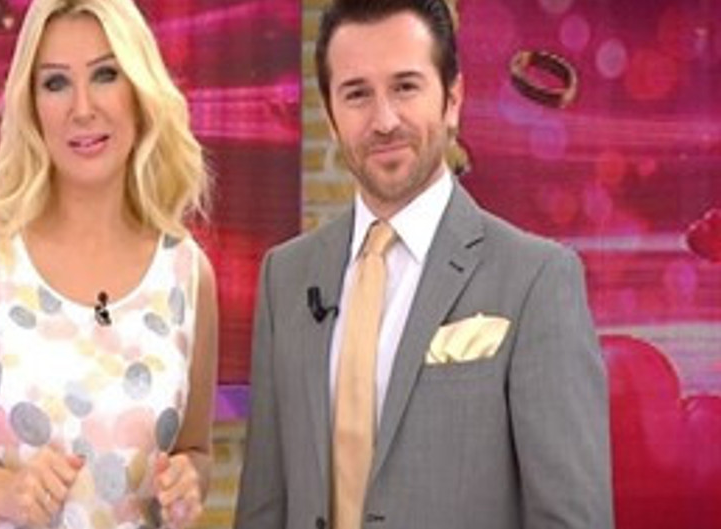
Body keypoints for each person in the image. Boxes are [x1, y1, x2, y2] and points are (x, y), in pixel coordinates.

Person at [235, 0, 612, 528]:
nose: (384, 120)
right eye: (357, 94)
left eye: (405, 87)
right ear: (332, 115)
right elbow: (264, 506)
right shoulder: (286, 278)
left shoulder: (537, 279)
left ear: (452, 99)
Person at [0, 1, 218, 528]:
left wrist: (189, 481)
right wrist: (1, 492)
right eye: (56, 83)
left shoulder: (188, 272)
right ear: (31, 105)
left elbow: (195, 450)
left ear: (140, 91)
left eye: (105, 75)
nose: (82, 108)